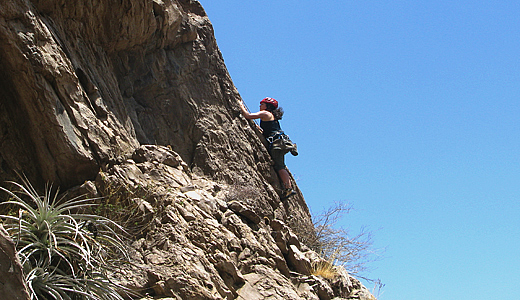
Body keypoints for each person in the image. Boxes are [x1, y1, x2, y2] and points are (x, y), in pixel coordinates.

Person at [240, 97, 297, 199]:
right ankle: (288, 187)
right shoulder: (272, 117)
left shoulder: (266, 114)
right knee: (280, 165)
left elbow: (247, 115)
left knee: (280, 167)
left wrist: (240, 105)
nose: (260, 106)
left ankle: (288, 188)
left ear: (267, 106)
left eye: (262, 104)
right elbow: (269, 131)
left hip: (277, 145)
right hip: (280, 143)